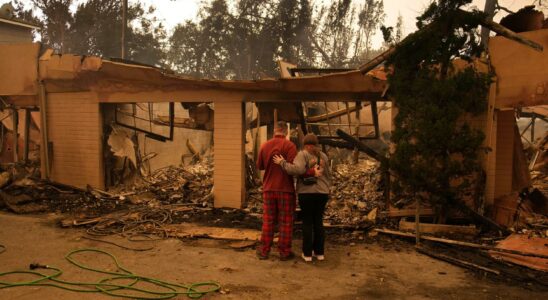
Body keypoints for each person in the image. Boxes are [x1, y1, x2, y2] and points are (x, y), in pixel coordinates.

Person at [273, 133, 331, 262]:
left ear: (306, 145)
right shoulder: (324, 156)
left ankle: (307, 254)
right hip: (322, 193)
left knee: (307, 222)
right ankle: (319, 253)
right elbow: (328, 175)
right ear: (316, 144)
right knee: (318, 222)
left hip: (307, 193)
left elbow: (297, 170)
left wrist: (282, 162)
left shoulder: (303, 154)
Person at [256, 121, 298, 260]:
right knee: (285, 221)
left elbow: (260, 166)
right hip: (285, 189)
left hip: (268, 189)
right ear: (286, 132)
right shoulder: (290, 146)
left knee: (268, 221)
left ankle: (264, 251)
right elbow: (293, 168)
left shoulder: (265, 145)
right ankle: (284, 252)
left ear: (274, 131)